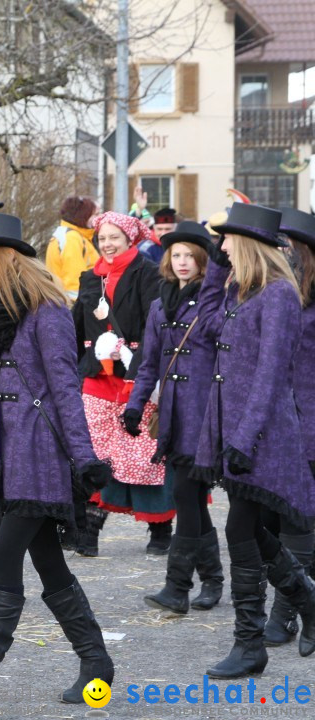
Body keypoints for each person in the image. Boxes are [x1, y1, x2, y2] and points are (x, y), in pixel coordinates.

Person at [0, 212, 113, 716]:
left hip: (42, 460)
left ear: (5, 257)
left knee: (7, 558)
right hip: (9, 461)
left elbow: (63, 390)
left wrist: (85, 459)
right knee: (49, 565)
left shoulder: (47, 310)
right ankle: (97, 665)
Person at [194, 203, 315, 679]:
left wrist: (244, 439)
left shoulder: (281, 296)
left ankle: (250, 643)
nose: (219, 246)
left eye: (226, 241)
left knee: (240, 530)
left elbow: (271, 377)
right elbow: (203, 327)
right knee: (248, 530)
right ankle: (304, 599)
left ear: (247, 243)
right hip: (230, 427)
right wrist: (216, 271)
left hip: (264, 435)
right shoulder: (239, 291)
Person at [125, 221, 225, 614]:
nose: (182, 262)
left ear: (203, 261)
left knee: (187, 495)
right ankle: (212, 579)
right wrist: (135, 405)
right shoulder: (158, 303)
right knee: (192, 499)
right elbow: (149, 363)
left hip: (203, 415)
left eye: (190, 255)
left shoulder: (213, 302)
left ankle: (178, 586)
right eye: (176, 255)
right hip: (172, 415)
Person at [72, 211, 167, 557]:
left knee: (144, 454)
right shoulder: (88, 278)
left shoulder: (148, 274)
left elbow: (152, 329)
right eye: (102, 238)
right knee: (96, 452)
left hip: (137, 374)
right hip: (97, 376)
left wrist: (137, 374)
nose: (107, 244)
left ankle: (161, 525)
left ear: (130, 239)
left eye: (114, 237)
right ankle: (89, 528)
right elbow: (77, 327)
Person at [260, 207, 315, 647]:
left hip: (310, 423)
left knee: (300, 522)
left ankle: (286, 613)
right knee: (278, 522)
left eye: (289, 248)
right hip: (281, 423)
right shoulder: (272, 295)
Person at [45, 196, 99, 301]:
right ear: (83, 215)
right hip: (73, 306)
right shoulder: (72, 238)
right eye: (95, 214)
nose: (98, 218)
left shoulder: (71, 235)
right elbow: (74, 283)